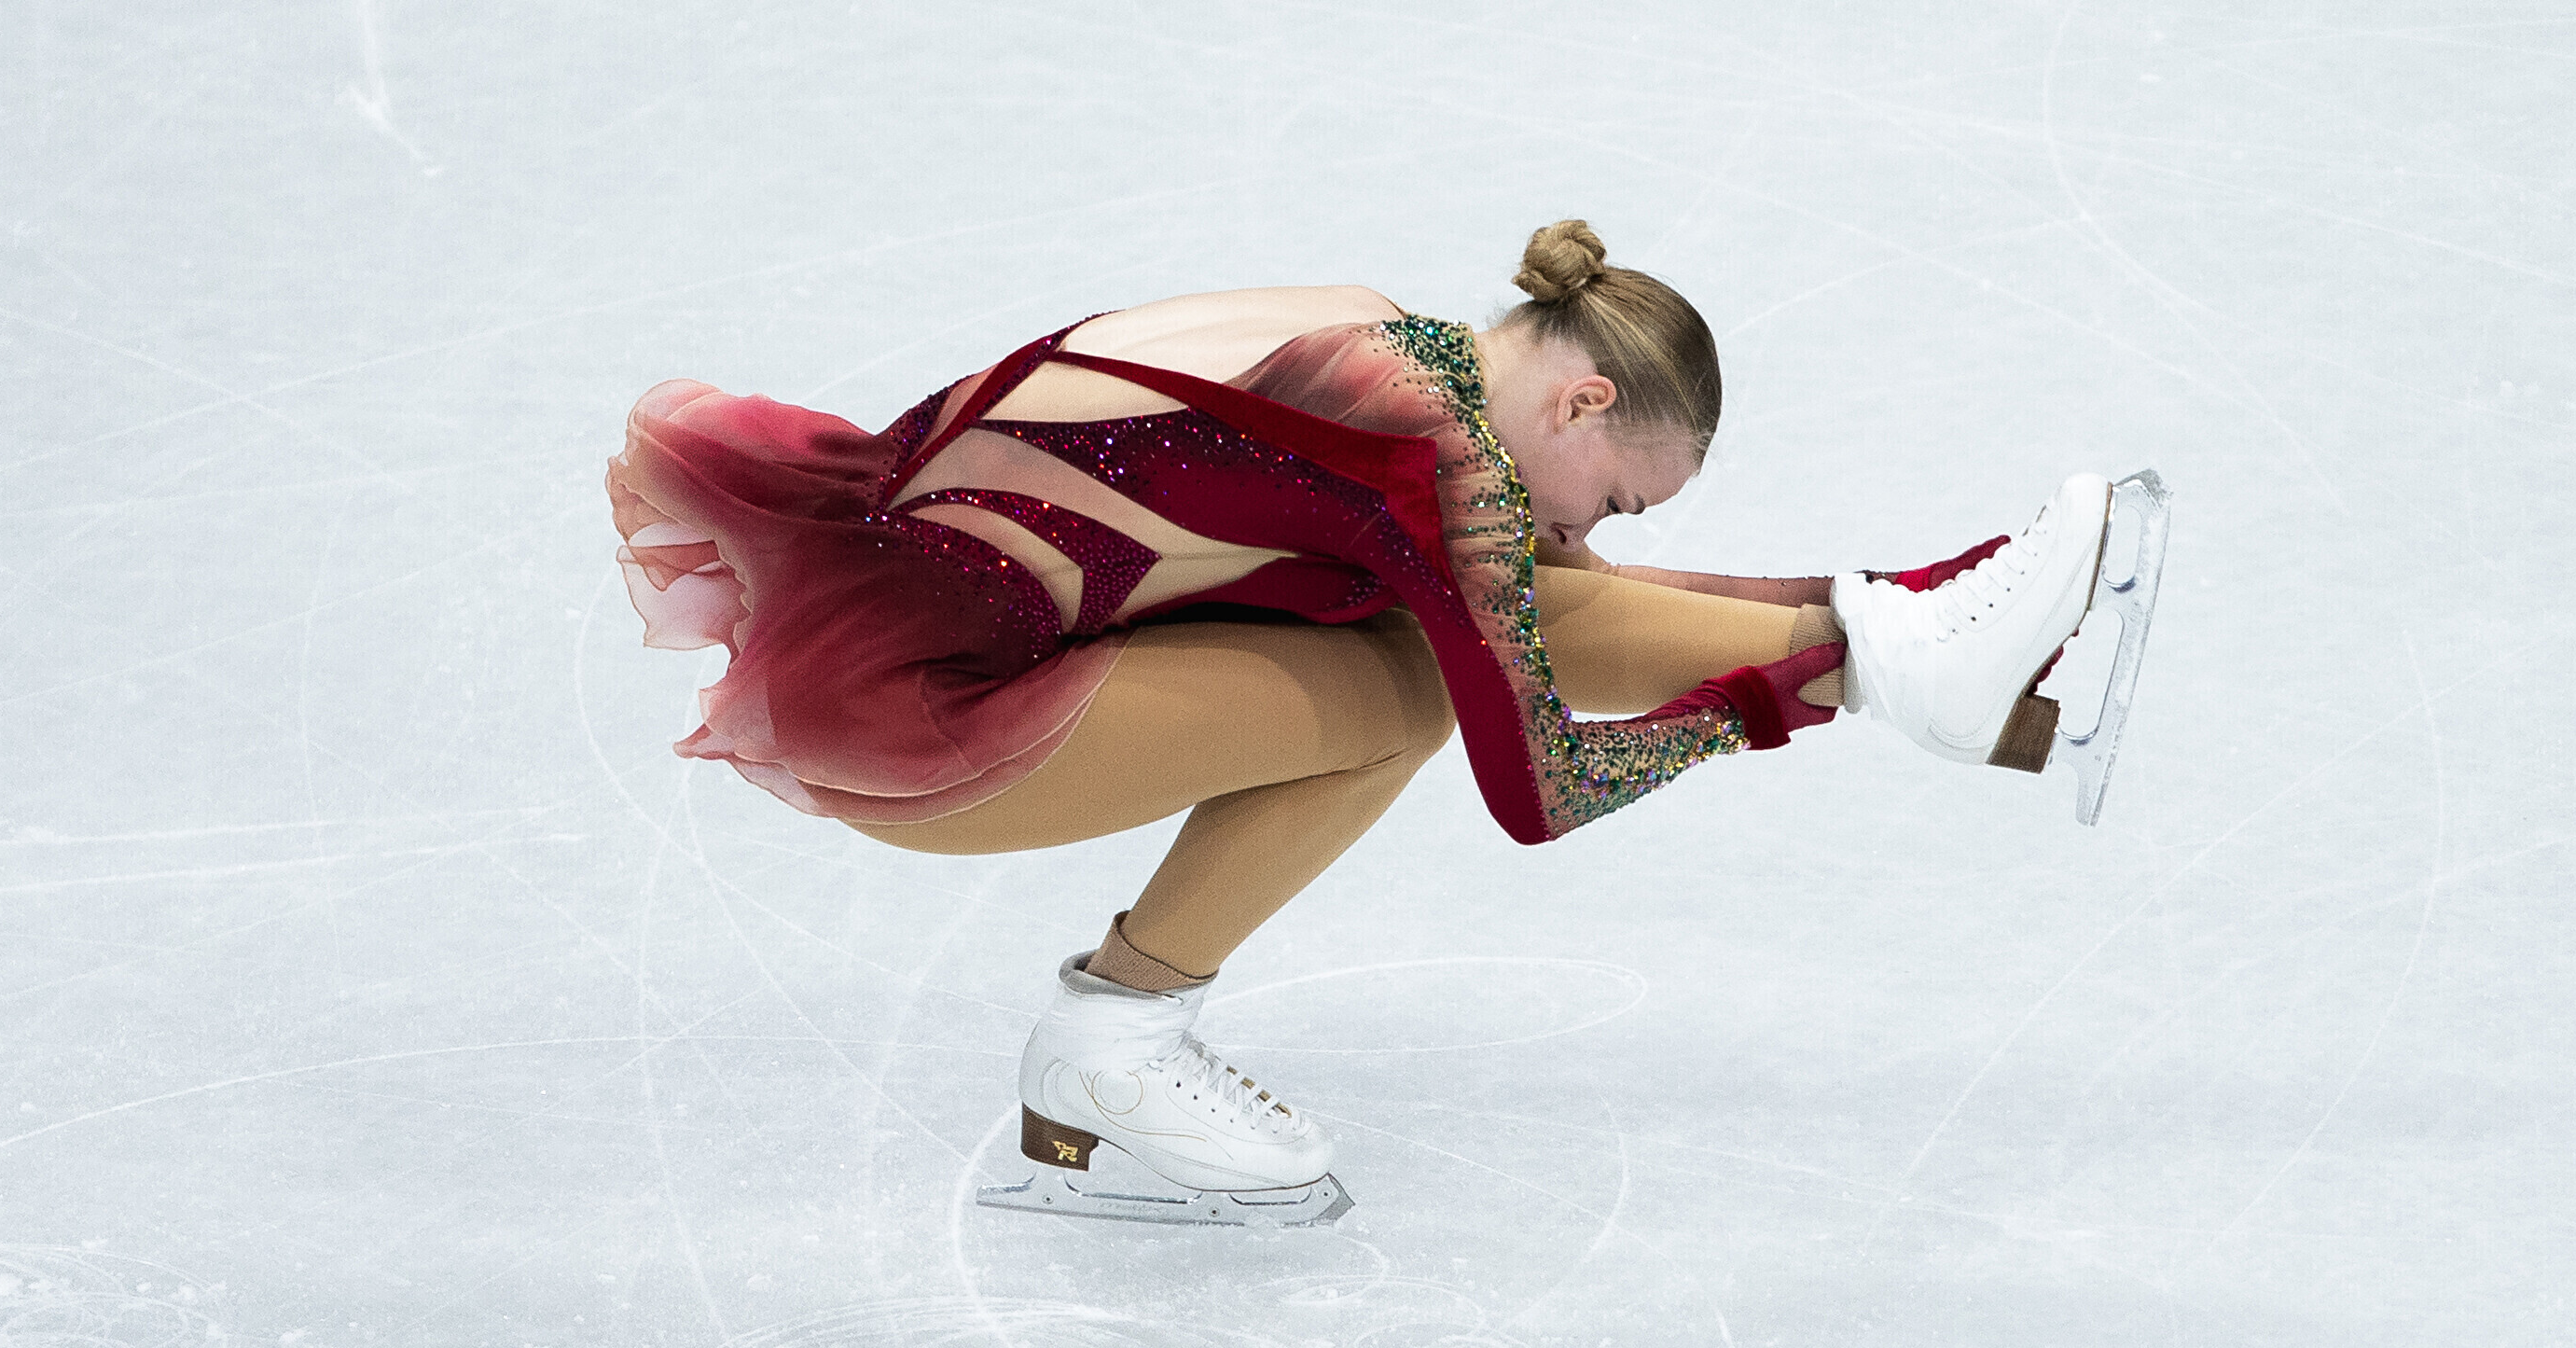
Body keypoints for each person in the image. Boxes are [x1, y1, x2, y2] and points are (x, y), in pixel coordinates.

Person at [605, 220, 2143, 1223]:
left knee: (1479, 613)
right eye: (1617, 498)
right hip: (911, 709)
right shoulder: (1429, 452)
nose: (1593, 529)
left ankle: (1923, 654)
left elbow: (1548, 593)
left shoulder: (1397, 351)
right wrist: (1763, 710)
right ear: (1585, 406)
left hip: (927, 618)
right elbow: (1541, 786)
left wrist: (1884, 613)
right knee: (1416, 687)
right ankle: (1111, 1049)